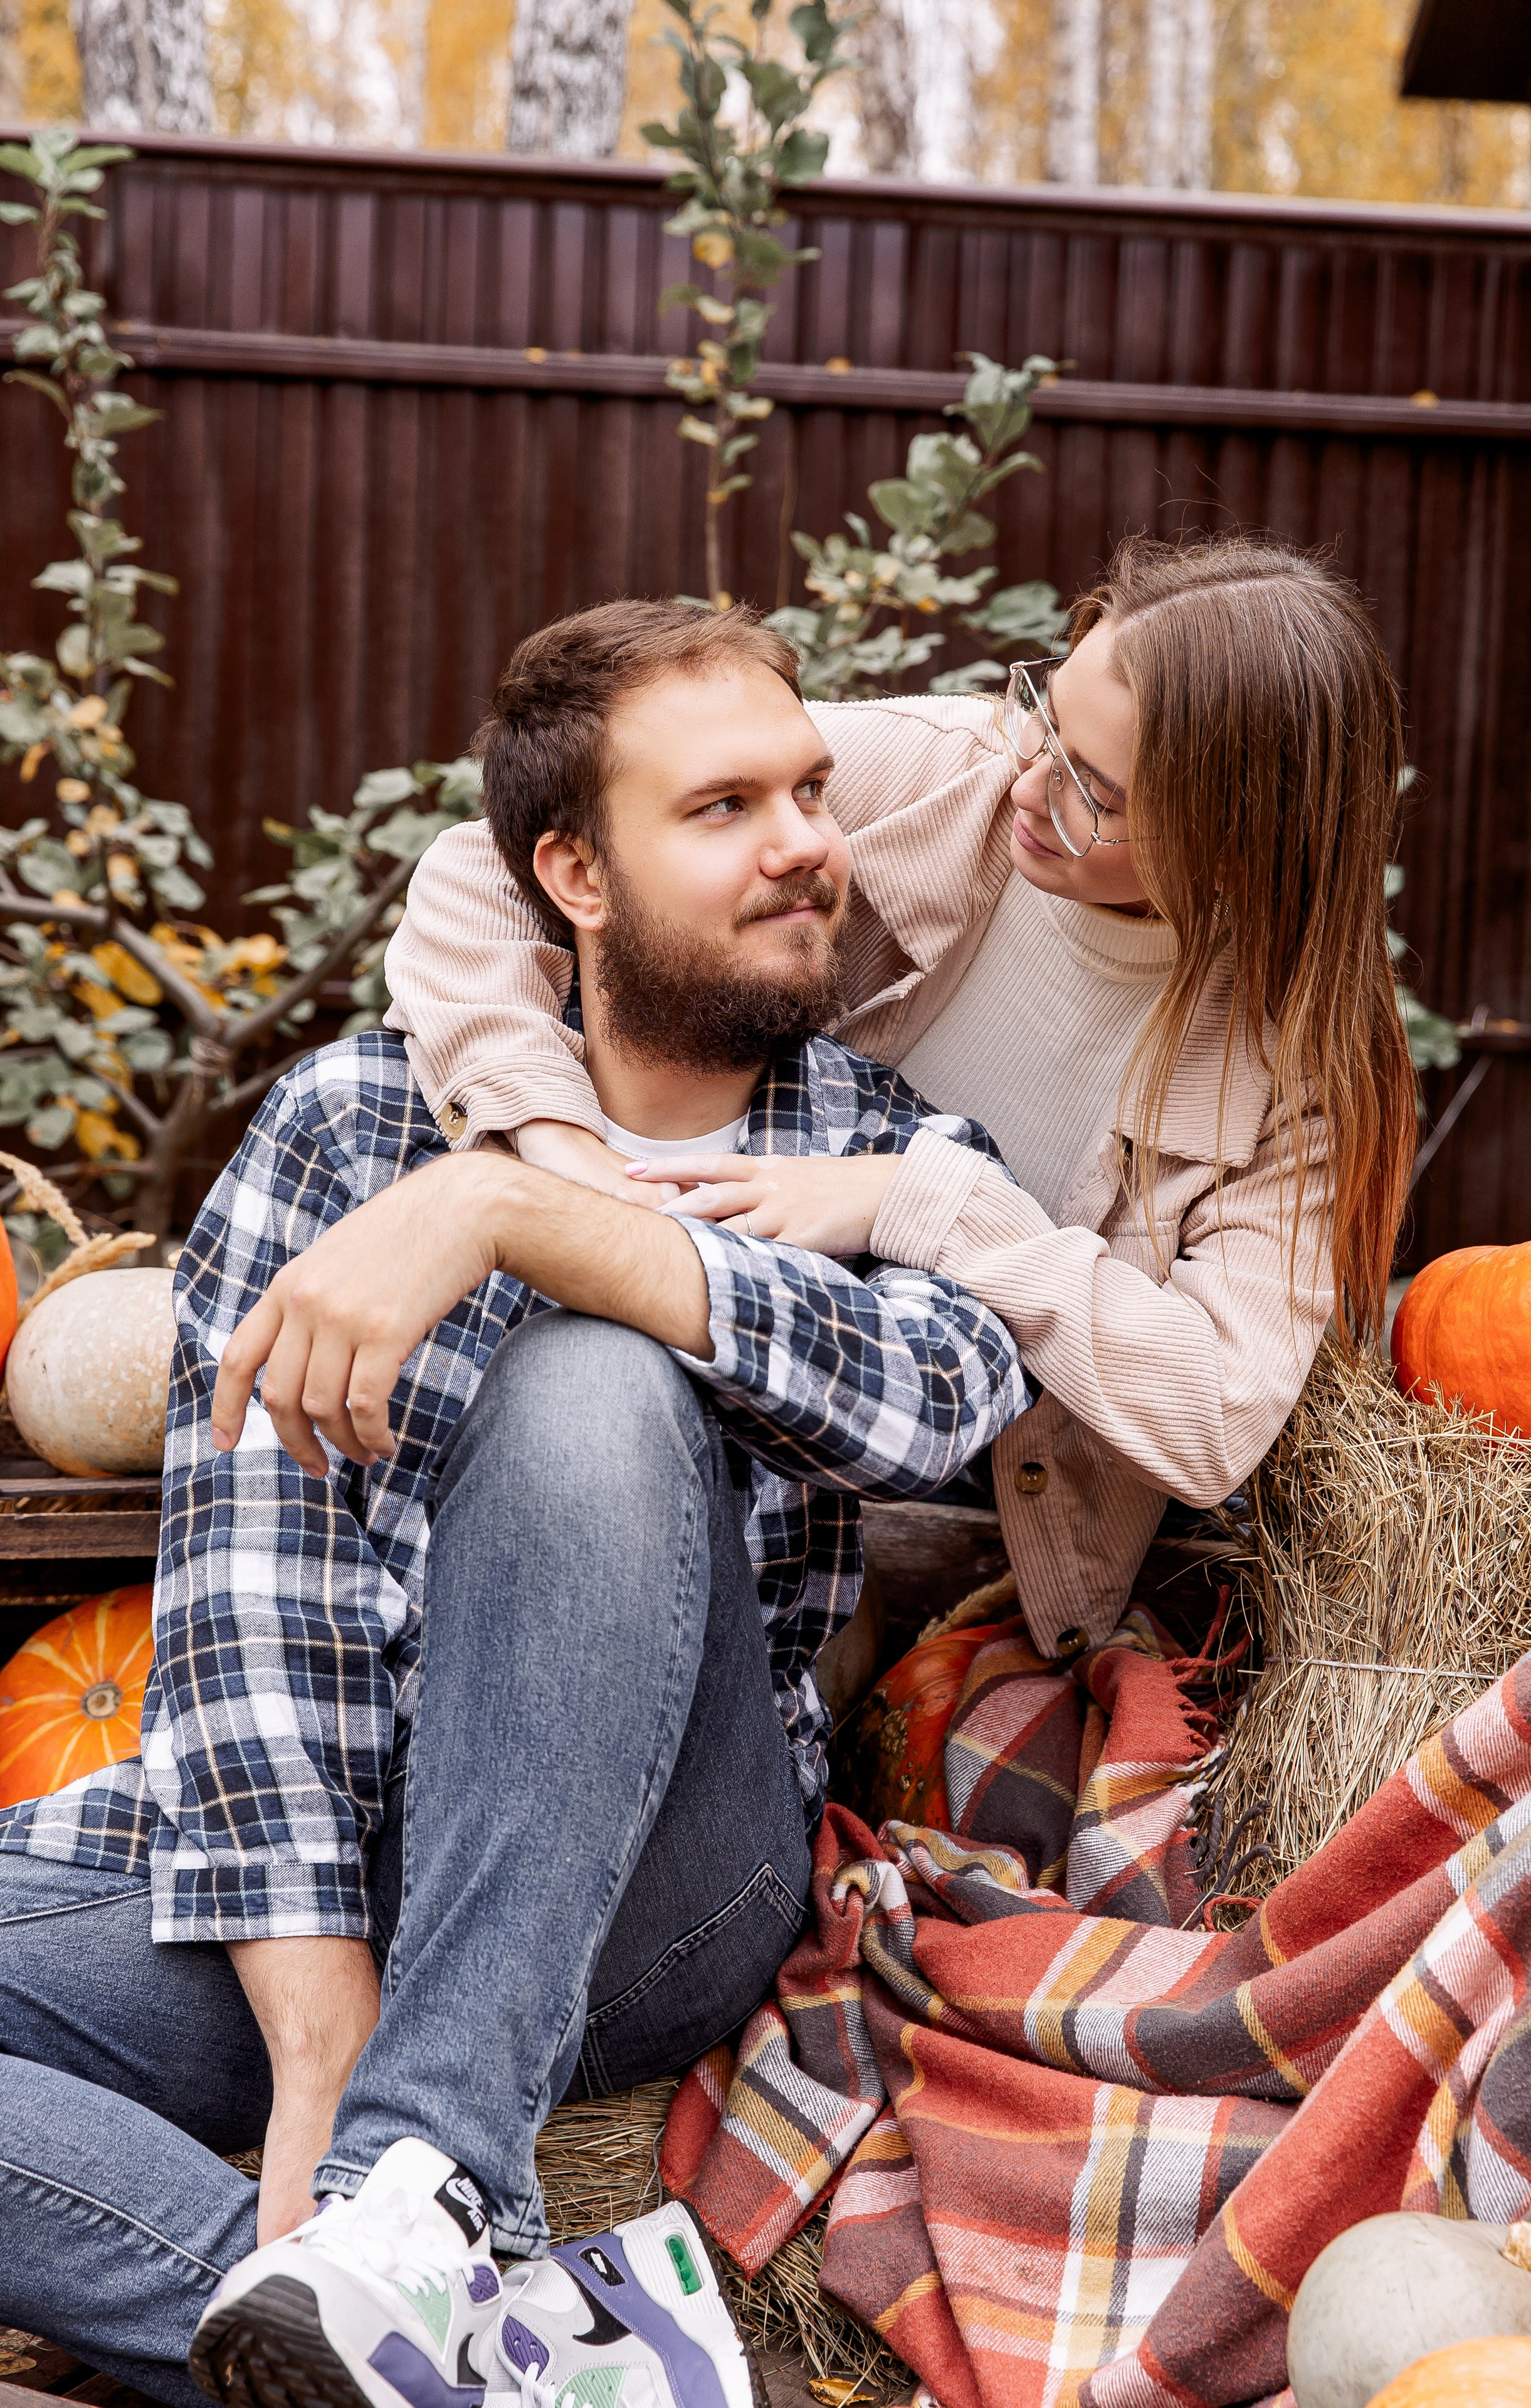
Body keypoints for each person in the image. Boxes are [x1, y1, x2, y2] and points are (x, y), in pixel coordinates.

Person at [0, 602, 1030, 2408]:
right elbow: (258, 1593)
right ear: (575, 873)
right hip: (335, 1862)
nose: (805, 842)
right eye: (722, 808)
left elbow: (941, 1406)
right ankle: (423, 2359)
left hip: (661, 1886)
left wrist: (552, 1226)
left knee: (593, 1374)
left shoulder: (895, 1153)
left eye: (808, 790)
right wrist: (314, 2037)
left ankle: (432, 2177)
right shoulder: (347, 1130)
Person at [382, 533, 1419, 1661]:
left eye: (1094, 793)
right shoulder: (945, 774)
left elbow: (1215, 1416)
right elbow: (487, 864)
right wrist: (556, 1152)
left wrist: (923, 1201)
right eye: (1045, 719)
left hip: (970, 1512)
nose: (1027, 786)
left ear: (1240, 847)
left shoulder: (1299, 1064)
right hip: (720, 1415)